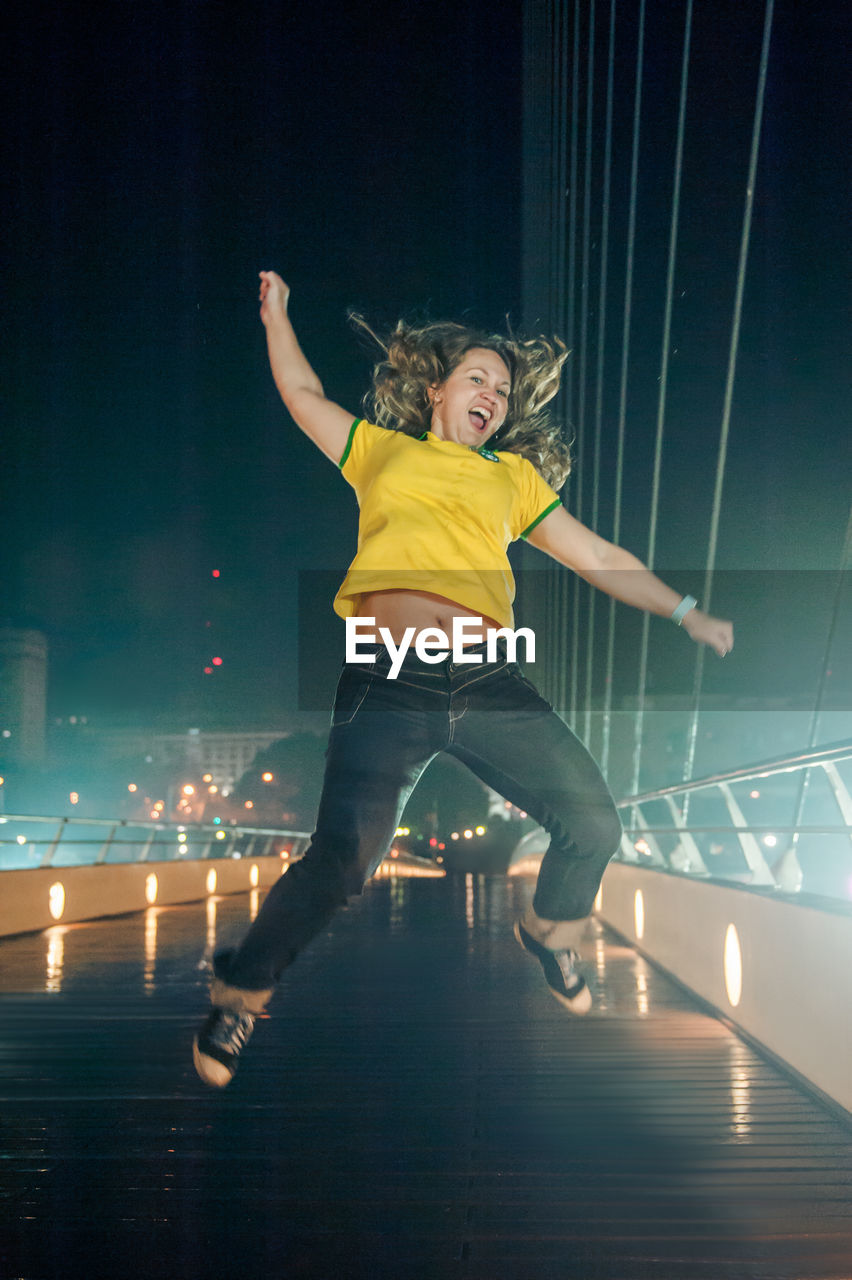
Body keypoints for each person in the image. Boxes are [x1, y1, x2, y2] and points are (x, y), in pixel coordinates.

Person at [192, 271, 733, 1087]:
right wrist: (277, 315)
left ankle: (550, 934)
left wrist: (683, 608)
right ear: (437, 389)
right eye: (477, 378)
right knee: (341, 860)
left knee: (594, 821)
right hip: (388, 678)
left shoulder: (511, 481)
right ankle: (240, 993)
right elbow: (302, 392)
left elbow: (597, 557)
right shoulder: (380, 453)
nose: (493, 393)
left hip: (488, 683)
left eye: (504, 389)